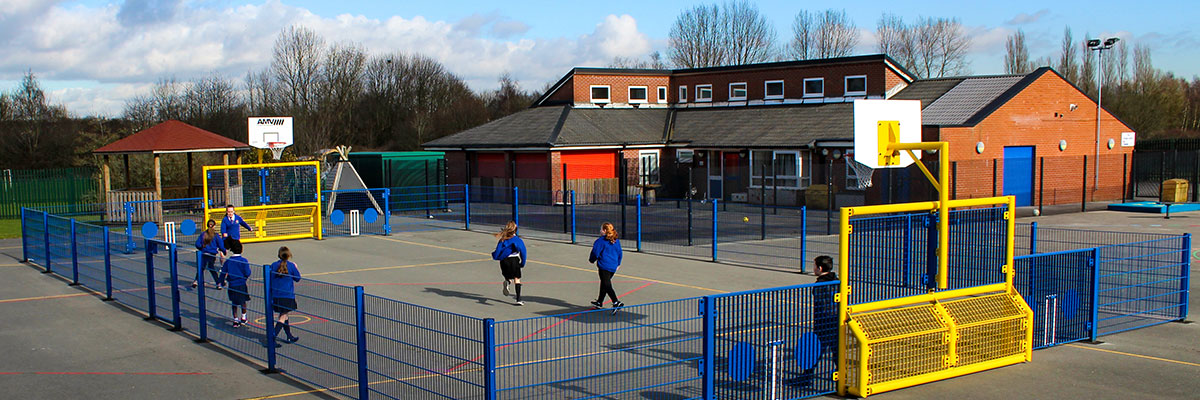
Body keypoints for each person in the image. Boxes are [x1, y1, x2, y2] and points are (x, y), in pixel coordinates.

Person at [798, 255, 839, 386]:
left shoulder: (820, 285)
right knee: (836, 350)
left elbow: (822, 305)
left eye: (815, 266)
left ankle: (806, 378)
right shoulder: (837, 281)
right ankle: (840, 374)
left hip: (824, 322)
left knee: (815, 351)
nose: (814, 268)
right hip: (836, 321)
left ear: (820, 268)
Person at [588, 222, 624, 311]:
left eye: (601, 229)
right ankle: (600, 301)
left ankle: (616, 302)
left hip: (604, 266)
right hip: (613, 266)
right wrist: (618, 263)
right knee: (604, 283)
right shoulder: (616, 240)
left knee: (607, 285)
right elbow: (620, 253)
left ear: (604, 230)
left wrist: (591, 260)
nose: (600, 231)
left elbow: (595, 253)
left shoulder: (600, 241)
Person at [269, 246, 302, 343]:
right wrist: (296, 268)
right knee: (282, 316)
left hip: (276, 296)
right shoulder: (291, 266)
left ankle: (289, 336)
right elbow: (297, 278)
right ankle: (272, 337)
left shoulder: (273, 265)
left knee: (285, 315)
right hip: (287, 296)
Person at [490, 221, 527, 306]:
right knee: (517, 279)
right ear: (515, 230)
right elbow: (523, 252)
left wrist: (495, 256)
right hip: (514, 260)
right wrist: (522, 263)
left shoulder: (502, 240)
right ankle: (518, 299)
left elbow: (498, 251)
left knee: (508, 276)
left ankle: (508, 282)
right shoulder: (517, 240)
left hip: (504, 261)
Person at [219, 238, 251, 328]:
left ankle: (235, 319)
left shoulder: (229, 261)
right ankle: (243, 317)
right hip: (241, 283)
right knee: (243, 301)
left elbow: (223, 273)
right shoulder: (244, 260)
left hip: (232, 284)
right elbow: (247, 272)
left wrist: (221, 282)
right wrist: (245, 278)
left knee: (234, 302)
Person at [192, 219, 226, 289]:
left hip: (204, 253)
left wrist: (201, 248)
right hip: (212, 254)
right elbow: (221, 245)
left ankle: (196, 281)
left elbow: (197, 244)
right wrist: (224, 250)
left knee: (201, 268)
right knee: (212, 268)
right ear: (214, 226)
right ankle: (218, 283)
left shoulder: (203, 234)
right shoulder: (216, 235)